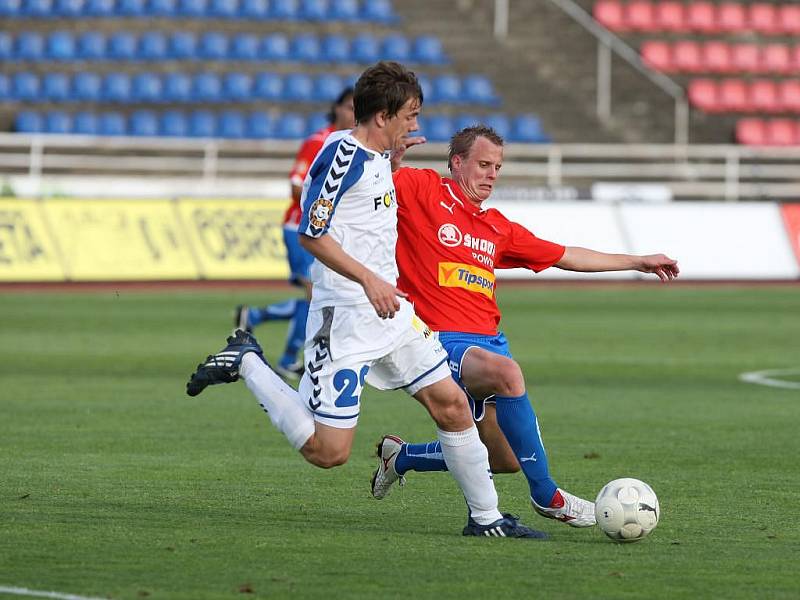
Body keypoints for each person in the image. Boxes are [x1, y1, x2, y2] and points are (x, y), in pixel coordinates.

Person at [187, 63, 546, 539]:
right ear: (382, 116)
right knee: (328, 452)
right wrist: (369, 279)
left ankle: (486, 519)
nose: (415, 126)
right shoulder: (342, 155)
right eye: (409, 115)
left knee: (453, 405)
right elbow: (312, 234)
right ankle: (248, 360)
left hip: (394, 314)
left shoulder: (381, 156)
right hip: (346, 317)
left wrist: (394, 164)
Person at [370, 125, 679, 528]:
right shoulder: (422, 188)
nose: (491, 174)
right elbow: (372, 187)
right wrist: (389, 159)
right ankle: (547, 495)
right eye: (483, 164)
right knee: (508, 374)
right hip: (437, 340)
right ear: (457, 162)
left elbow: (566, 256)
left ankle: (402, 456)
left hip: (488, 343)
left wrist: (636, 261)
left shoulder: (497, 227)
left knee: (505, 459)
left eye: (497, 167)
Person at [235, 87, 356, 380]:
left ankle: (255, 317)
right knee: (316, 294)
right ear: (337, 108)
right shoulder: (318, 142)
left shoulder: (353, 145)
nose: (353, 114)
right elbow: (295, 184)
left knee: (320, 294)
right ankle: (289, 359)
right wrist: (329, 198)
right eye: (350, 107)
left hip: (327, 232)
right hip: (300, 228)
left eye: (358, 109)